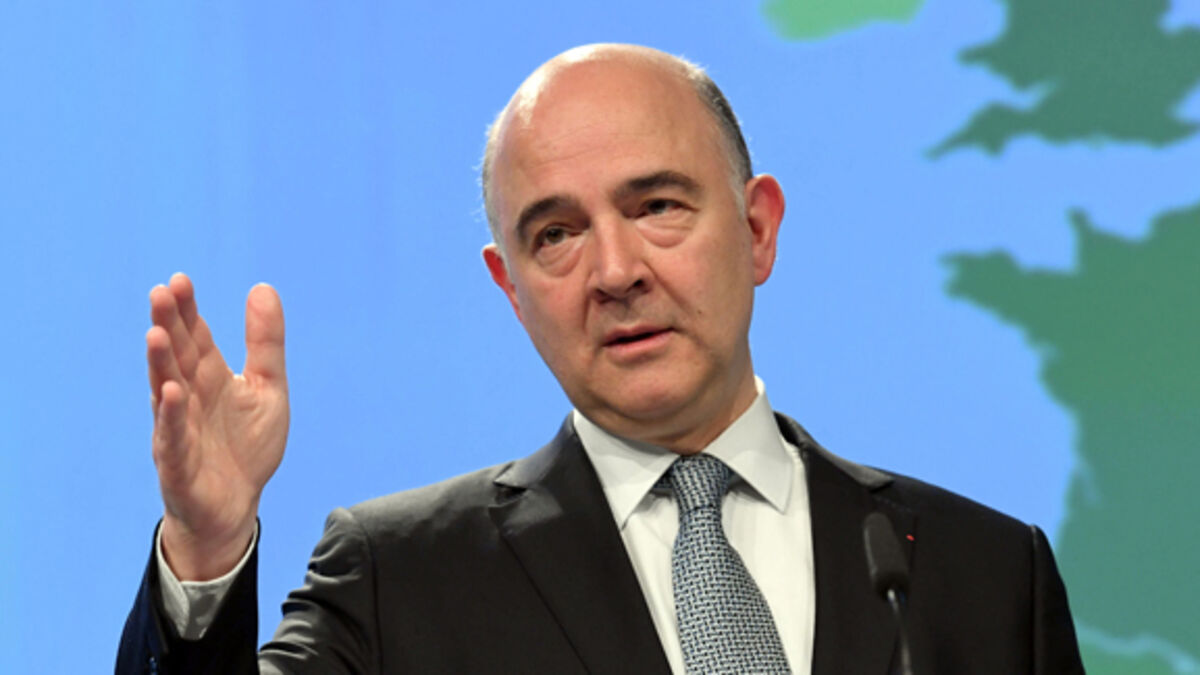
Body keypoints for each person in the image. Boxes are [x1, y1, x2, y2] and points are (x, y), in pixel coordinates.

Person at [118, 44, 1084, 674]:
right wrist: (207, 550)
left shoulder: (984, 573)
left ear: (757, 229)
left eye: (657, 206)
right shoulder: (396, 575)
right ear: (511, 287)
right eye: (556, 234)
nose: (616, 272)